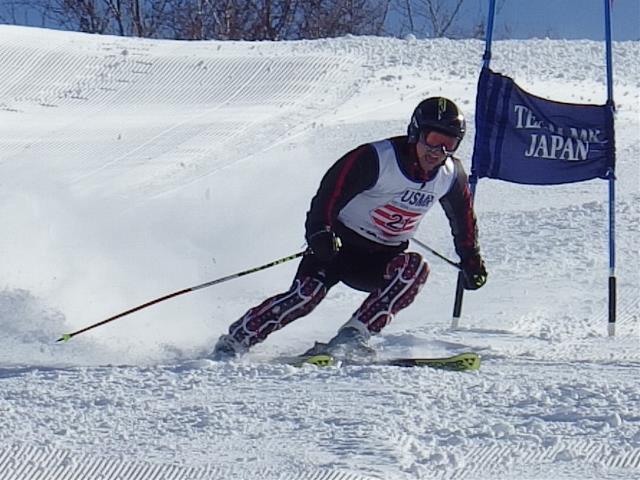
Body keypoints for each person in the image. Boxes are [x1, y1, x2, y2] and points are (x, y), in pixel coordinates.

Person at [212, 97, 487, 360]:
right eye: (434, 140)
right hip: (338, 248)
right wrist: (320, 232)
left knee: (415, 269)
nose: (438, 152)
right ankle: (236, 340)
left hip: (382, 259)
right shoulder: (377, 158)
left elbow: (463, 219)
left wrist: (471, 261)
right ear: (416, 132)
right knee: (306, 297)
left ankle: (352, 337)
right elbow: (329, 194)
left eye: (449, 144)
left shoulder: (451, 175)